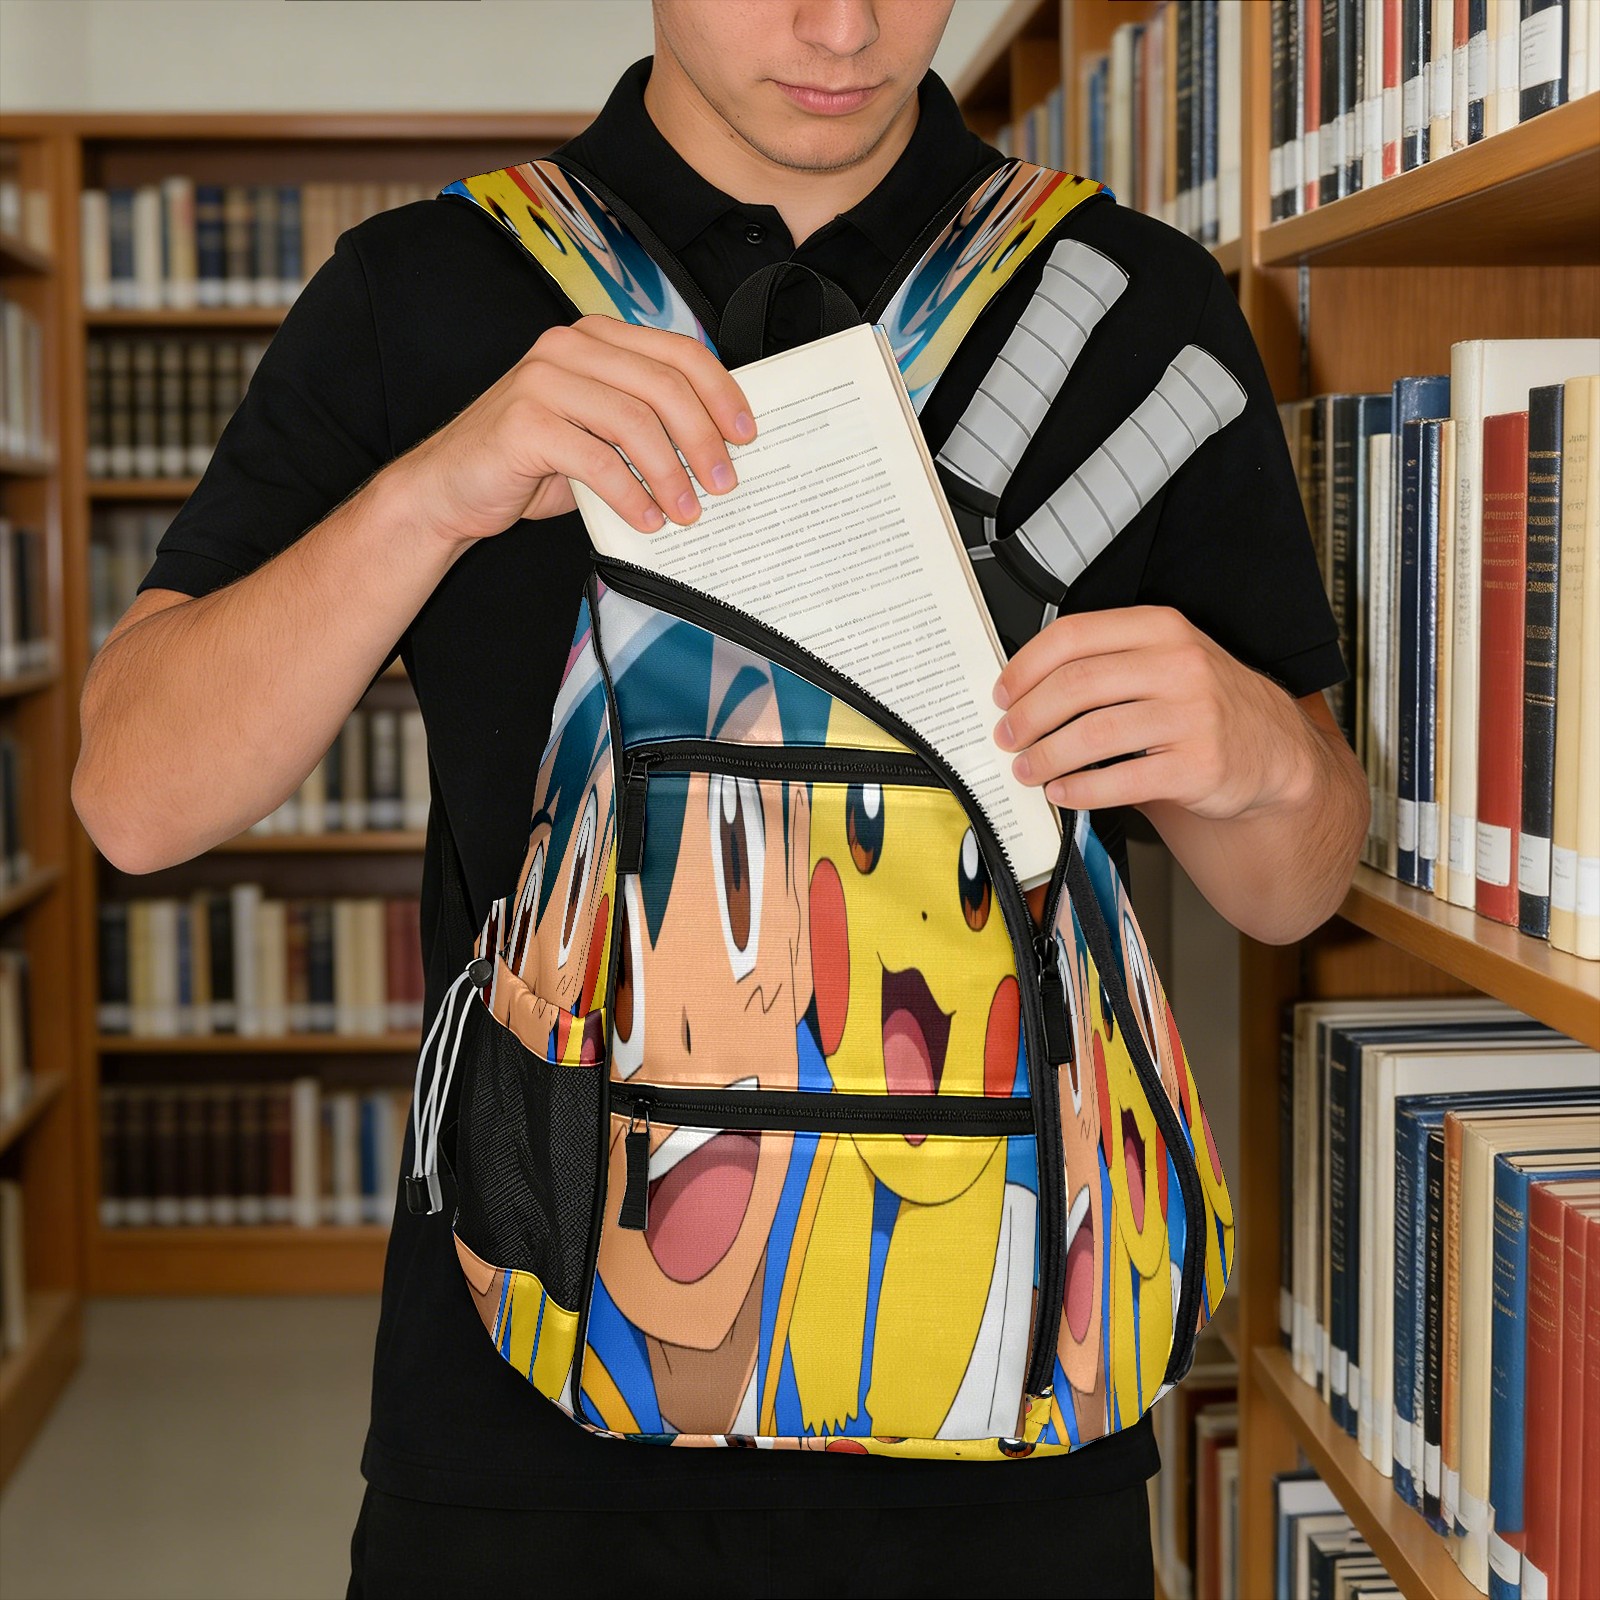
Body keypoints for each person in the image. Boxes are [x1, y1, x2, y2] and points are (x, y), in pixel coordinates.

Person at [70, 2, 1369, 1595]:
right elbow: (133, 798)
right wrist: (428, 497)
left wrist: (1266, 753)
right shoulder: (426, 294)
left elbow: (1292, 890)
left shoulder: (1131, 307)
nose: (844, 26)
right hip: (524, 1427)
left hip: (1021, 1406)